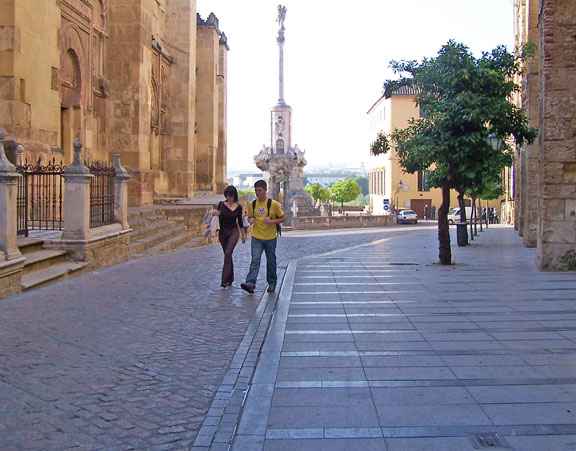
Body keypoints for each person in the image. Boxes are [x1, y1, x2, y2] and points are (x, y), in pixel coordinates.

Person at [241, 180, 285, 294]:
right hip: (257, 237)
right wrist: (250, 220)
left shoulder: (273, 204)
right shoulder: (252, 204)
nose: (257, 193)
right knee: (255, 260)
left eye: (260, 190)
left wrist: (272, 221)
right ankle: (250, 283)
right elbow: (250, 218)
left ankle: (272, 283)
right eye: (256, 190)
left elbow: (283, 218)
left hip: (270, 237)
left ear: (265, 190)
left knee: (271, 260)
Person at [211, 186, 246, 288]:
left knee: (228, 253)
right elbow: (218, 218)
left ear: (234, 196)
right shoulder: (221, 205)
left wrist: (243, 234)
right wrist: (216, 213)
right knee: (227, 255)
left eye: (231, 196)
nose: (229, 198)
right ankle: (230, 278)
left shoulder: (238, 207)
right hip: (223, 232)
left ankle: (224, 280)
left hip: (233, 231)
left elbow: (240, 221)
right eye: (227, 196)